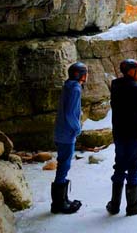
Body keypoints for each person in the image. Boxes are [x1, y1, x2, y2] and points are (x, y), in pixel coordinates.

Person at [106, 59, 137, 216]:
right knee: (134, 167)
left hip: (119, 132)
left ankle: (114, 204)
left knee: (119, 165)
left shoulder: (115, 85)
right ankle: (132, 205)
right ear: (131, 71)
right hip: (136, 133)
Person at [51, 62, 87, 214]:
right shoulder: (75, 88)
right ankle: (59, 204)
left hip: (61, 132)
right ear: (81, 75)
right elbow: (70, 114)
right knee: (64, 165)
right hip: (67, 133)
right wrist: (77, 129)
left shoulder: (68, 85)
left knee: (63, 164)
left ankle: (62, 199)